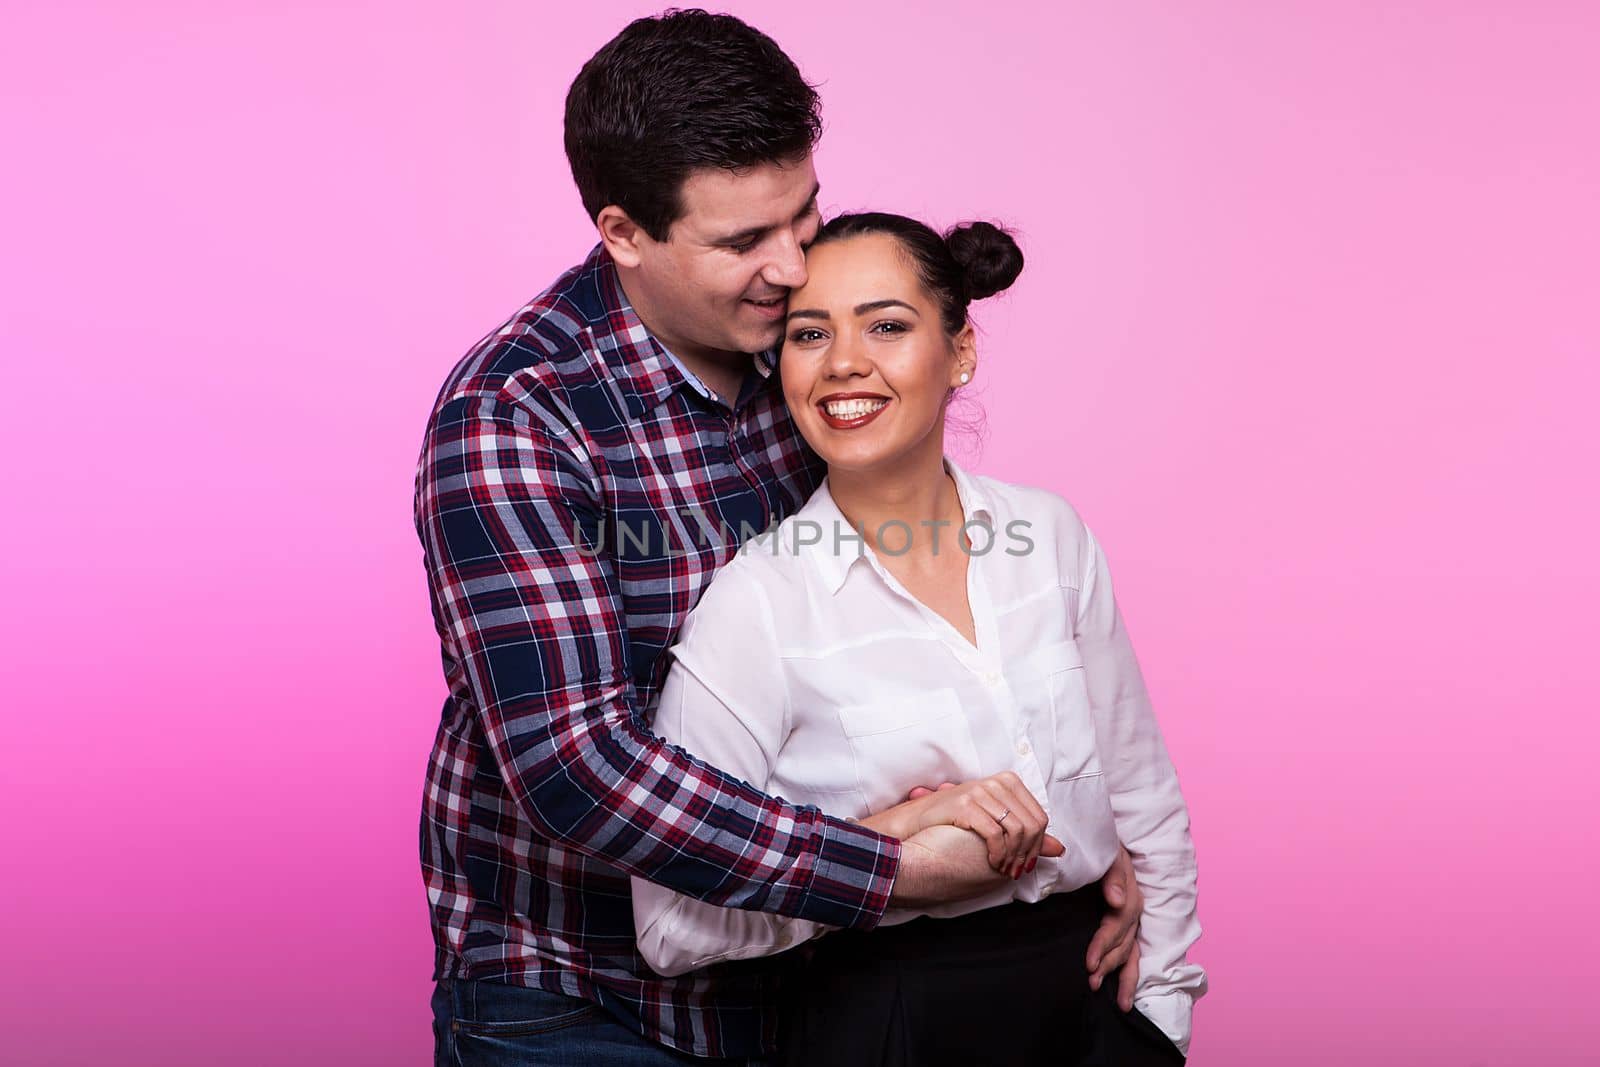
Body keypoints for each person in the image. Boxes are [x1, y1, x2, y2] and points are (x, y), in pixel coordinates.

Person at [415, 11, 1144, 1065]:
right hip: (584, 994)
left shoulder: (807, 343)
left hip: (821, 976)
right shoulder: (516, 417)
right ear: (623, 233)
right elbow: (576, 765)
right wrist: (880, 864)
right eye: (742, 243)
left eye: (801, 214)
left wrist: (1074, 847)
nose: (793, 264)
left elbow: (916, 603)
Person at [632, 213, 1207, 1065]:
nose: (844, 363)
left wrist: (1160, 1020)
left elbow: (1142, 795)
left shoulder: (1048, 535)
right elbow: (672, 925)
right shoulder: (759, 604)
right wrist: (887, 842)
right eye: (809, 333)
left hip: (1088, 1007)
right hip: (884, 1020)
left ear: (962, 350)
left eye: (888, 325)